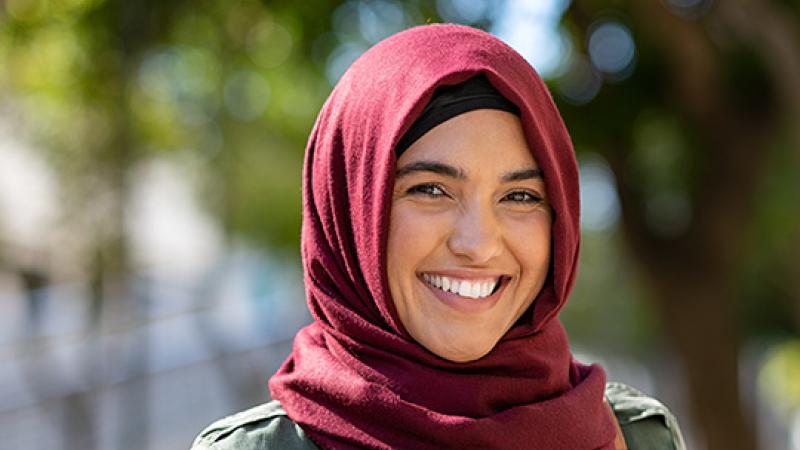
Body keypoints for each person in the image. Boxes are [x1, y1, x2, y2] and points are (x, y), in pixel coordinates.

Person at [191, 24, 686, 450]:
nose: (478, 244)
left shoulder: (635, 436)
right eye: (431, 189)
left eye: (520, 197)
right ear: (350, 213)